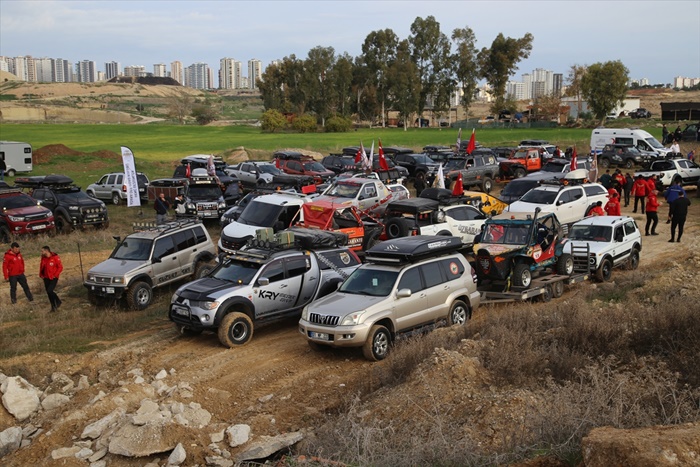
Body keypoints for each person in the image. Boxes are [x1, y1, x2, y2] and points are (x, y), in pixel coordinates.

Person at [39, 246, 63, 312]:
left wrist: (55, 275)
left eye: (42, 251)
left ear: (47, 251)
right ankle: (53, 307)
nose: (41, 252)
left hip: (53, 277)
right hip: (46, 277)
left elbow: (60, 267)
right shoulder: (43, 258)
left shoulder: (55, 257)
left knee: (50, 290)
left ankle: (58, 301)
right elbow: (42, 266)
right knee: (48, 293)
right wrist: (41, 274)